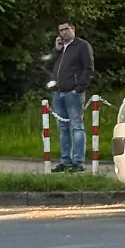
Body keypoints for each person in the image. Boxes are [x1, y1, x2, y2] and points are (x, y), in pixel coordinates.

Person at [44, 21, 95, 172]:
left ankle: (78, 162)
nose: (63, 33)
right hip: (58, 92)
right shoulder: (61, 49)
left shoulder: (82, 46)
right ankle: (65, 161)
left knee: (76, 126)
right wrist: (56, 50)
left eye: (66, 29)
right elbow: (47, 66)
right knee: (62, 128)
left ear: (73, 29)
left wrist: (79, 88)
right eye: (60, 31)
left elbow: (88, 68)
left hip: (73, 92)